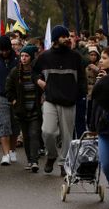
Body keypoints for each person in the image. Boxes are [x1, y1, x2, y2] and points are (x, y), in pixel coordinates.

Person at [34, 25, 86, 176]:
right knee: (47, 131)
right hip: (50, 99)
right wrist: (38, 81)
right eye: (64, 37)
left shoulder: (76, 57)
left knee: (67, 136)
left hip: (69, 101)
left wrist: (79, 95)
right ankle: (51, 155)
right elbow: (34, 72)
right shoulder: (45, 56)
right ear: (56, 39)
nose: (67, 39)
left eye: (68, 37)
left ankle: (64, 163)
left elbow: (82, 79)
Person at [6, 45, 42, 173]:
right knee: (26, 136)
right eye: (22, 56)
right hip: (21, 110)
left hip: (34, 109)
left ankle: (34, 161)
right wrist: (14, 101)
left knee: (34, 134)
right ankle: (30, 160)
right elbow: (8, 88)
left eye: (26, 56)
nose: (24, 58)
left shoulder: (37, 73)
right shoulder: (15, 72)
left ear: (31, 58)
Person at [0, 35, 19, 166]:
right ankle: (5, 154)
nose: (4, 52)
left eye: (7, 50)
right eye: (2, 50)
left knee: (15, 125)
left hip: (16, 97)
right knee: (3, 124)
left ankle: (12, 150)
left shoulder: (18, 58)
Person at [87, 46, 109, 202]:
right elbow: (95, 103)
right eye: (100, 58)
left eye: (104, 58)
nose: (101, 61)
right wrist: (93, 126)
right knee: (106, 163)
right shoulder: (101, 80)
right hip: (105, 129)